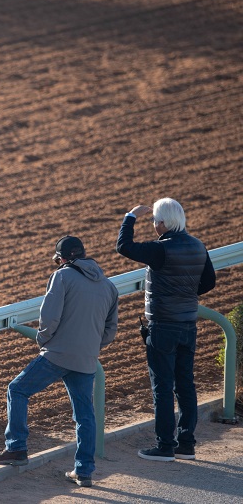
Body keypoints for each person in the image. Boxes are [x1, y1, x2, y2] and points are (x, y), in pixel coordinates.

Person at [0, 236, 118, 488]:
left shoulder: (62, 276)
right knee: (84, 416)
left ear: (63, 258)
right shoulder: (109, 286)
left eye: (57, 259)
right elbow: (110, 330)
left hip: (57, 354)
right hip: (87, 359)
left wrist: (44, 340)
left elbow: (49, 316)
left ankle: (16, 448)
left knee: (18, 389)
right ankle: (84, 471)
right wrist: (90, 347)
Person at [116, 198, 215, 462]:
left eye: (154, 222)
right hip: (188, 326)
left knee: (162, 387)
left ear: (162, 223)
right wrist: (183, 294)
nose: (153, 226)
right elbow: (208, 282)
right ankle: (187, 445)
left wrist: (130, 216)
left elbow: (124, 246)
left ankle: (164, 446)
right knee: (185, 386)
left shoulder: (161, 250)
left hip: (162, 327)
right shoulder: (198, 245)